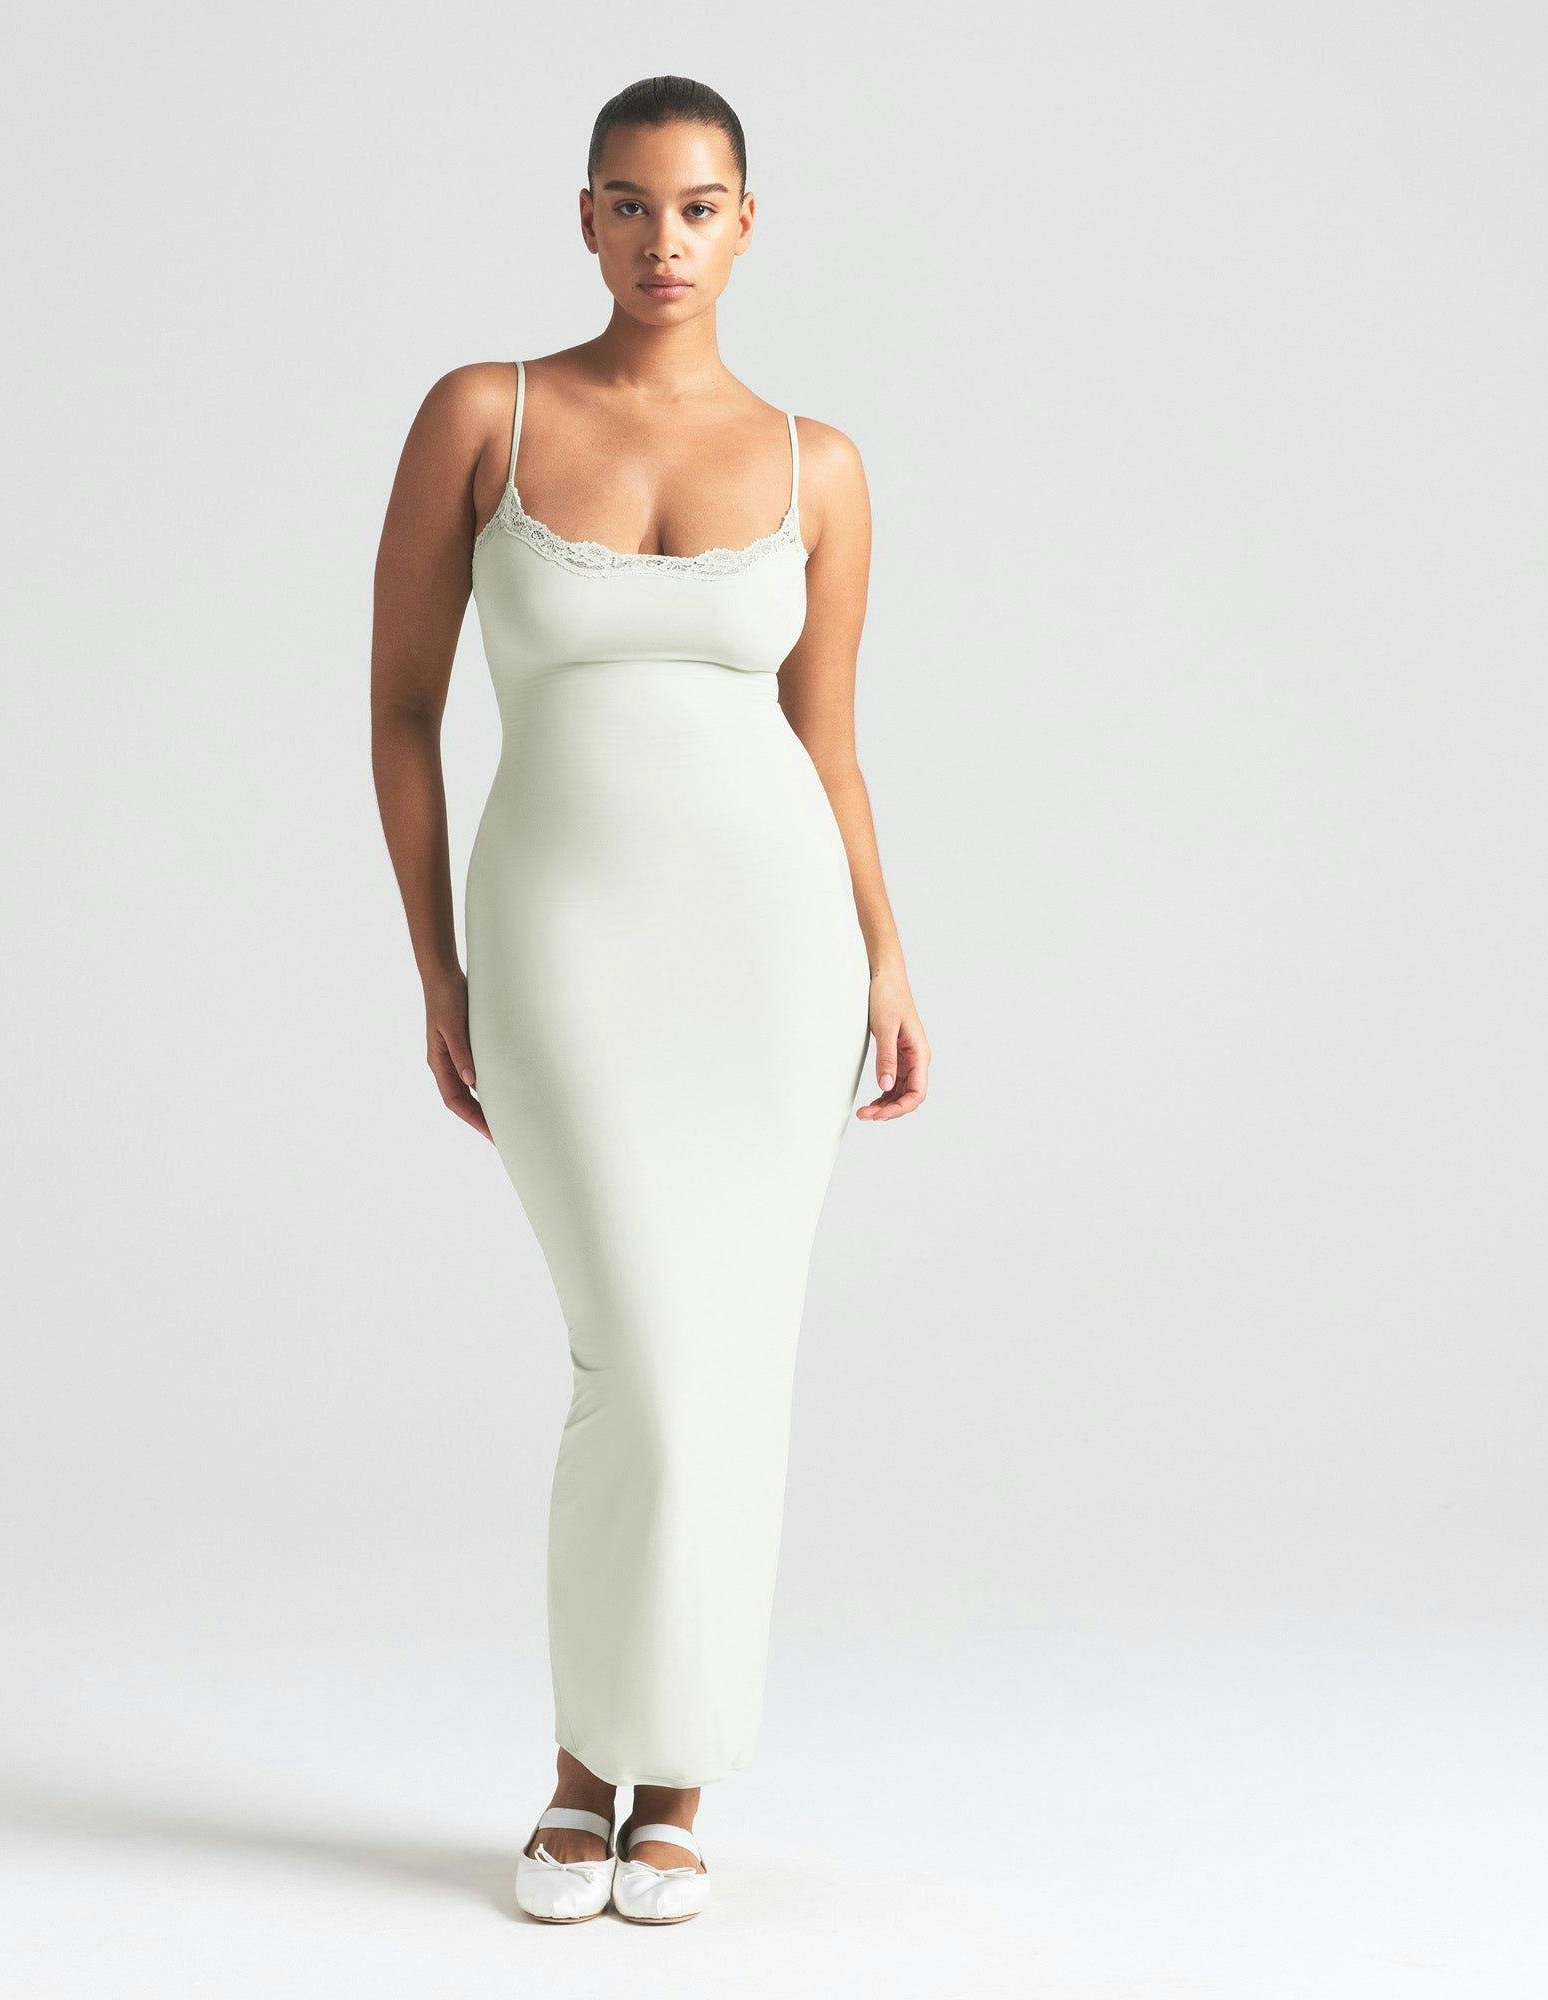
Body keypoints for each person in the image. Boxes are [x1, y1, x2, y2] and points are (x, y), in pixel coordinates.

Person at [370, 74, 929, 1924]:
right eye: (628, 203)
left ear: (746, 225)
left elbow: (828, 746)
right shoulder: (487, 415)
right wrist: (437, 964)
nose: (662, 240)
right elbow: (400, 714)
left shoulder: (820, 464)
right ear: (585, 217)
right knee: (636, 1360)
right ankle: (576, 1772)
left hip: (774, 956)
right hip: (561, 943)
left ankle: (671, 1788)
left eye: (697, 208)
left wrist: (887, 954)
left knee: (730, 1364)